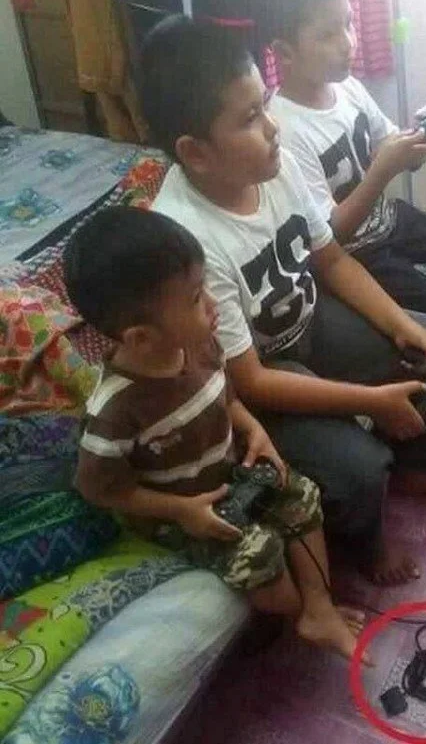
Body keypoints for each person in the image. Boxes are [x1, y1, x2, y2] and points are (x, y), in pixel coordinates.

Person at [142, 15, 426, 588]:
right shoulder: (186, 243)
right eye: (250, 118)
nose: (272, 127)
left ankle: (422, 469)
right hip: (267, 371)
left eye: (263, 107)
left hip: (309, 317)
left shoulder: (274, 164)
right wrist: (369, 399)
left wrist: (401, 325)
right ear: (195, 153)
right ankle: (369, 548)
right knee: (359, 465)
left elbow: (332, 261)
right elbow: (249, 381)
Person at [65, 206, 368, 662]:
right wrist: (181, 510)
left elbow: (226, 399)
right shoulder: (114, 412)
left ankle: (319, 611)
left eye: (204, 287)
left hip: (227, 475)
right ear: (141, 338)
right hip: (177, 512)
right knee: (261, 554)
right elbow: (101, 490)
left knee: (300, 492)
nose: (211, 305)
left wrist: (255, 430)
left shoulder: (201, 343)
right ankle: (297, 611)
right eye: (193, 299)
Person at [258, 0, 426, 403]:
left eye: (348, 24)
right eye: (328, 34)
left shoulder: (346, 86)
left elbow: (387, 141)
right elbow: (332, 236)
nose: (348, 42)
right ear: (284, 52)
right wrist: (386, 168)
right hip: (352, 251)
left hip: (387, 221)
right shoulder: (285, 131)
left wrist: (420, 135)